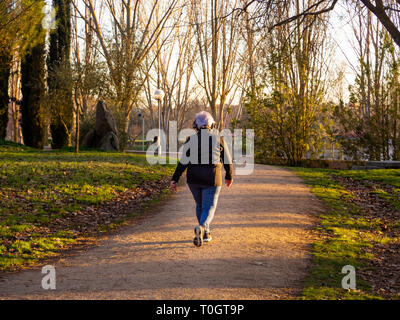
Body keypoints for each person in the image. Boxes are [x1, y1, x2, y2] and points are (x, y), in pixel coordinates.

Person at [170, 111, 233, 247]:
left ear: (195, 126)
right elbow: (227, 160)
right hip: (212, 178)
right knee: (209, 206)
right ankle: (203, 227)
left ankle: (205, 233)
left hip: (194, 179)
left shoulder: (190, 140)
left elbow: (183, 162)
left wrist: (174, 179)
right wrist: (229, 176)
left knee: (200, 205)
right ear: (212, 125)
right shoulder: (219, 139)